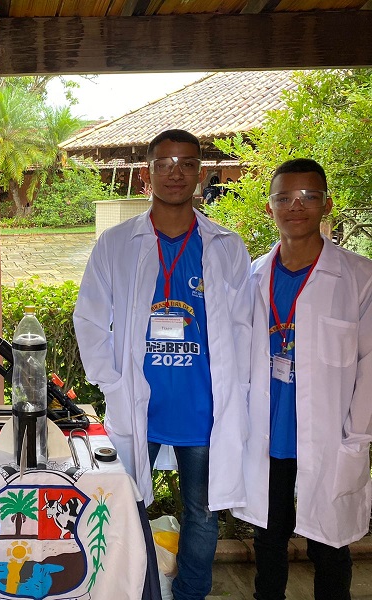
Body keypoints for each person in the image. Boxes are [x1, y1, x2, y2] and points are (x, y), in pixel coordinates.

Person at [74, 129, 252, 600]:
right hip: (138, 403)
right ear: (146, 173)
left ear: (200, 173)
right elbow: (89, 318)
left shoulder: (225, 245)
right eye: (165, 163)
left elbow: (244, 327)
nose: (176, 173)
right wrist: (111, 382)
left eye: (187, 163)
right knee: (123, 504)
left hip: (204, 407)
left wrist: (238, 392)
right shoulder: (116, 243)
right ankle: (134, 590)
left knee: (203, 512)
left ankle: (191, 593)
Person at [233, 159, 372, 600]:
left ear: (327, 204)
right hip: (269, 432)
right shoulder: (252, 276)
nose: (296, 206)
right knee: (268, 538)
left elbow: (370, 364)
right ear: (269, 207)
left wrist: (357, 434)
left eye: (309, 197)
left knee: (329, 544)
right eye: (285, 198)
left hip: (330, 435)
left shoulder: (359, 276)